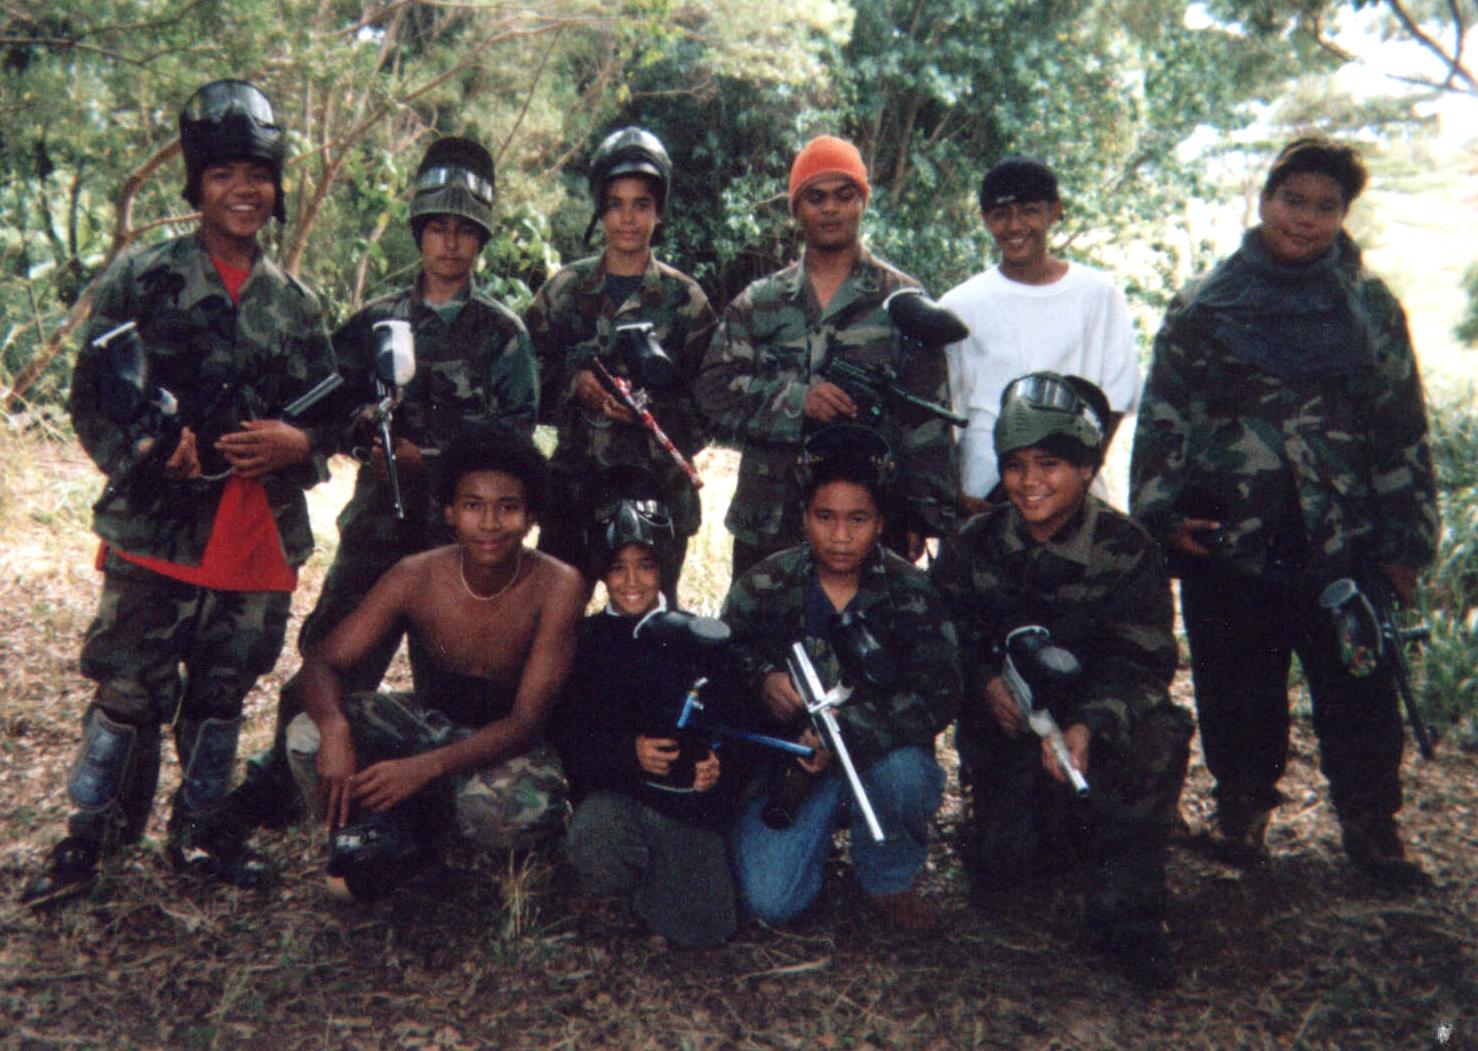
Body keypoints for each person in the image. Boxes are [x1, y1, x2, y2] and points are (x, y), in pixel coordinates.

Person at [24, 80, 339, 906]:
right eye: (223, 172)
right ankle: (91, 837)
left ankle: (201, 830)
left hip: (255, 534)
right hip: (157, 531)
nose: (243, 190)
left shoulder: (298, 306)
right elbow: (92, 397)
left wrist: (298, 443)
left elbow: (330, 416)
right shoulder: (142, 277)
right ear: (197, 183)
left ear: (277, 186)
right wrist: (146, 451)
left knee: (223, 693)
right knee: (128, 691)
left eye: (258, 174)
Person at [1129, 137, 1439, 885]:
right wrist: (1163, 518)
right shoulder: (1205, 305)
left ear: (1344, 215)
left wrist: (1406, 542)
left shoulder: (1369, 307)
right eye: (1292, 200)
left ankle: (1371, 824)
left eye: (1325, 206)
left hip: (1345, 538)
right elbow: (1164, 418)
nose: (1305, 219)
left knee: (1360, 688)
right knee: (1236, 687)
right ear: (1265, 200)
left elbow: (1401, 426)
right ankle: (1241, 813)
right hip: (1232, 536)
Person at [226, 135, 538, 831]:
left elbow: (518, 442)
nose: (450, 243)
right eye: (438, 227)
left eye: (465, 230)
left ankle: (438, 800)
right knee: (333, 655)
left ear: (481, 240)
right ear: (419, 232)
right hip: (377, 528)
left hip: (467, 540)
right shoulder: (376, 322)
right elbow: (322, 406)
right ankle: (282, 779)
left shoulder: (503, 335)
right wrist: (358, 430)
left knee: (458, 683)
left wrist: (435, 461)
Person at [931, 373, 1190, 988]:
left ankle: (1128, 914)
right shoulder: (974, 542)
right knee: (1008, 869)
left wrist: (1088, 724)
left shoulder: (1127, 548)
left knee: (1161, 732)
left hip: (1092, 725)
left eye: (1049, 464)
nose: (1030, 482)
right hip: (1009, 724)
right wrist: (984, 682)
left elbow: (1144, 661)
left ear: (1087, 466)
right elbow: (939, 636)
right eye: (1015, 465)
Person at [283, 422, 585, 899]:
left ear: (530, 517)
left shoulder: (559, 586)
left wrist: (424, 769)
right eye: (473, 506)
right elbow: (323, 663)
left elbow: (525, 723)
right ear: (449, 512)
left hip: (502, 742)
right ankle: (386, 826)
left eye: (508, 507)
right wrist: (336, 731)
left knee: (517, 814)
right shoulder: (415, 575)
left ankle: (425, 822)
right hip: (427, 721)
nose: (489, 523)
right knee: (308, 735)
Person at [722, 426, 961, 931]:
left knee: (907, 777)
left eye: (858, 519)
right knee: (771, 902)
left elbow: (939, 693)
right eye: (824, 517)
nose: (840, 536)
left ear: (880, 521)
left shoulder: (910, 593)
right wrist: (763, 680)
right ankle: (807, 836)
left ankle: (889, 877)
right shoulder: (765, 584)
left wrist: (849, 729)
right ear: (803, 515)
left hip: (877, 760)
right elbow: (725, 655)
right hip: (793, 766)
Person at [696, 135, 956, 579]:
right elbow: (713, 391)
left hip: (869, 522)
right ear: (796, 209)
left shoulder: (901, 301)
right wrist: (798, 401)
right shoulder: (759, 302)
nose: (830, 209)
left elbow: (927, 416)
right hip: (771, 519)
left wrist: (920, 513)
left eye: (844, 195)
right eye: (815, 197)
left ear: (862, 203)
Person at [524, 127, 716, 600]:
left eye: (641, 204)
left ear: (658, 211)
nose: (628, 219)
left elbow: (712, 405)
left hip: (657, 497)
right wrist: (575, 386)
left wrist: (651, 411)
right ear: (599, 209)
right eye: (615, 204)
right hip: (572, 495)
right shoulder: (563, 292)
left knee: (649, 629)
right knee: (554, 620)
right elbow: (522, 382)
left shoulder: (686, 301)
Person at [550, 491, 748, 947]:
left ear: (665, 568)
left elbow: (737, 725)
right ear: (602, 574)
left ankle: (664, 888)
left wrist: (716, 766)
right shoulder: (586, 642)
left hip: (686, 808)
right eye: (617, 568)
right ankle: (630, 889)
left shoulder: (700, 639)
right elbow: (566, 734)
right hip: (618, 796)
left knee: (706, 931)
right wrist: (627, 753)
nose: (632, 581)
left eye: (645, 566)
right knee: (594, 841)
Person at [939, 156, 1140, 512]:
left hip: (1074, 493)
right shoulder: (960, 305)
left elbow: (1116, 399)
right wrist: (957, 494)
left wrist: (1083, 476)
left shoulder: (1097, 294)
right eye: (1001, 214)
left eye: (1029, 211)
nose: (1015, 226)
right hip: (983, 494)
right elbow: (943, 415)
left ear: (1054, 211)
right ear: (985, 219)